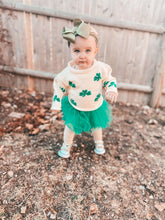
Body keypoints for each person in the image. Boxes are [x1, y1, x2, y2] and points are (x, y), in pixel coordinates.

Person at [51, 19, 118, 158]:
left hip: (95, 104)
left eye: (88, 50)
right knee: (70, 127)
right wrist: (56, 103)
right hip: (75, 106)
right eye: (77, 51)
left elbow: (109, 79)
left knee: (96, 125)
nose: (82, 55)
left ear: (95, 51)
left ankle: (99, 143)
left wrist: (111, 89)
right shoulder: (68, 73)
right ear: (70, 51)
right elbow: (59, 86)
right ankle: (66, 145)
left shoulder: (100, 68)